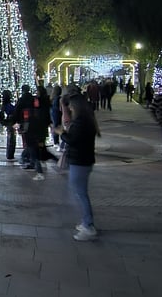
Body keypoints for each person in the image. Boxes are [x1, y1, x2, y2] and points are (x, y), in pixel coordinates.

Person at [54, 95, 99, 241]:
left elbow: (72, 140)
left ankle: (88, 225)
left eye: (71, 106)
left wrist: (62, 133)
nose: (70, 108)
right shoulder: (87, 120)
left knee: (80, 194)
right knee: (80, 192)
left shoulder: (81, 122)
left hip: (80, 161)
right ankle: (86, 222)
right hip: (84, 160)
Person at [13, 84, 52, 180]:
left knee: (29, 145)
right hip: (37, 125)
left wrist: (16, 122)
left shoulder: (22, 100)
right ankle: (31, 160)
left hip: (27, 125)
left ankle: (33, 163)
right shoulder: (35, 99)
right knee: (35, 145)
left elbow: (17, 112)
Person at [0, 89, 17, 161]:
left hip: (8, 123)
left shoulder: (3, 105)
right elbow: (12, 111)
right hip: (10, 123)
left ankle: (9, 154)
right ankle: (10, 154)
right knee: (11, 139)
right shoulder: (8, 105)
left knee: (11, 138)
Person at [50, 85, 63, 150]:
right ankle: (58, 143)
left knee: (55, 128)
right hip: (57, 114)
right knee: (58, 128)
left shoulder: (53, 98)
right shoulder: (59, 98)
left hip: (53, 114)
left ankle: (56, 142)